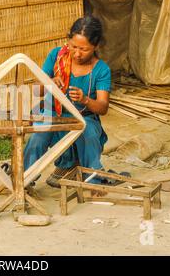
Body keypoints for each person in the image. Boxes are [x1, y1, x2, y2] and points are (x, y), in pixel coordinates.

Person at [23, 16, 111, 188]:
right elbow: (36, 91)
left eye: (84, 49)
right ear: (68, 41)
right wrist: (49, 83)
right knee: (39, 134)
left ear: (96, 46)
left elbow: (102, 107)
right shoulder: (56, 56)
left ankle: (92, 179)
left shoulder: (101, 70)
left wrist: (85, 99)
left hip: (83, 117)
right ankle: (25, 178)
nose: (77, 53)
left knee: (89, 134)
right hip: (54, 113)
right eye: (73, 47)